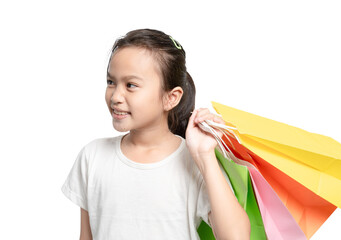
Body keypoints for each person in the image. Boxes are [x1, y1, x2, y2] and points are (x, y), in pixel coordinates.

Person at [61, 28, 250, 240]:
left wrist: (205, 156)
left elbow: (237, 237)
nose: (116, 96)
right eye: (111, 82)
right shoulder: (92, 156)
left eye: (131, 85)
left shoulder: (193, 162)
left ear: (171, 98)